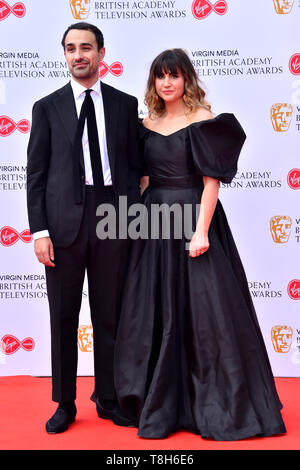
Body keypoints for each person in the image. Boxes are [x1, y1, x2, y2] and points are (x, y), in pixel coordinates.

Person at [113, 48, 286, 440]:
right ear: (154, 82)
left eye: (174, 75)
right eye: (161, 76)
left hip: (194, 216)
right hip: (153, 221)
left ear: (186, 79)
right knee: (151, 310)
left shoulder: (204, 121)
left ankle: (211, 401)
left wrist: (201, 230)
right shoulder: (147, 123)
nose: (167, 83)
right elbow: (144, 179)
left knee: (207, 315)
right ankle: (158, 398)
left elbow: (212, 182)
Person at [26, 22, 141, 433]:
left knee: (110, 314)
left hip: (113, 216)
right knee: (63, 317)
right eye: (72, 48)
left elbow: (137, 169)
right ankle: (65, 403)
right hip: (61, 226)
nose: (79, 55)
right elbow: (35, 174)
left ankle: (109, 398)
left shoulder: (125, 105)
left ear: (101, 53)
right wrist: (39, 231)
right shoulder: (47, 107)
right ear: (65, 54)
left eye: (87, 47)